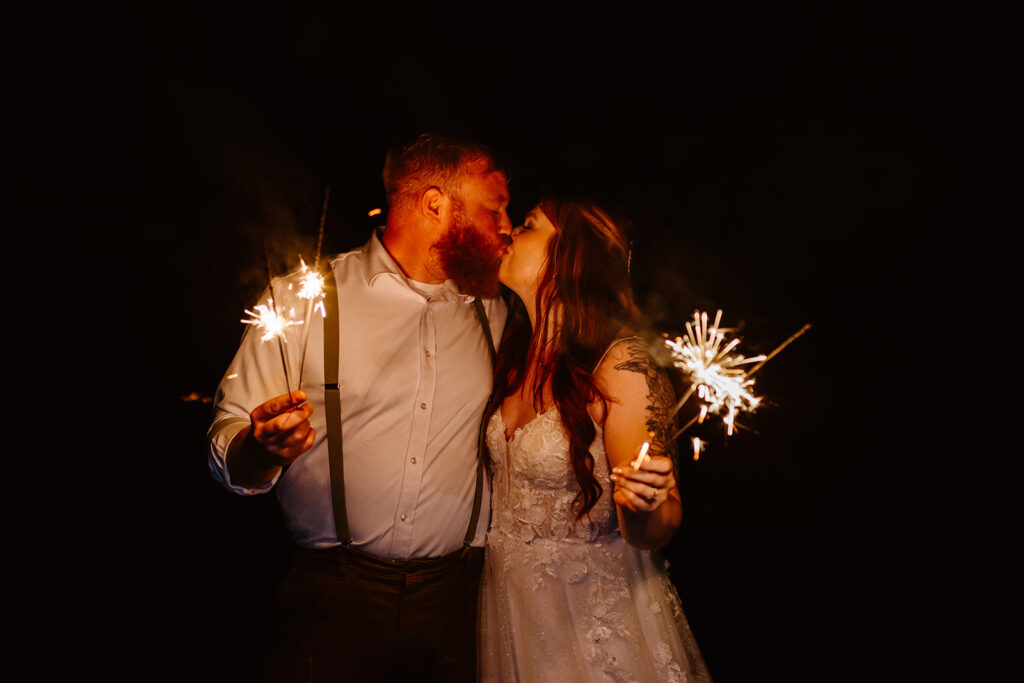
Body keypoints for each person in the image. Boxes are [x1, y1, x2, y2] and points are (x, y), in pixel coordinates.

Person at [207, 132, 512, 682]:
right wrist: (259, 447)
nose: (507, 226)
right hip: (331, 600)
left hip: (461, 602)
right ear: (436, 204)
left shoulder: (495, 312)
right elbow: (227, 442)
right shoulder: (302, 297)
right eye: (496, 208)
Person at [479, 199, 712, 682]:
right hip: (512, 607)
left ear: (570, 256)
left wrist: (645, 503)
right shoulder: (514, 352)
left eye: (527, 227)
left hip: (591, 620)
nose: (508, 232)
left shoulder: (622, 365)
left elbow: (657, 524)